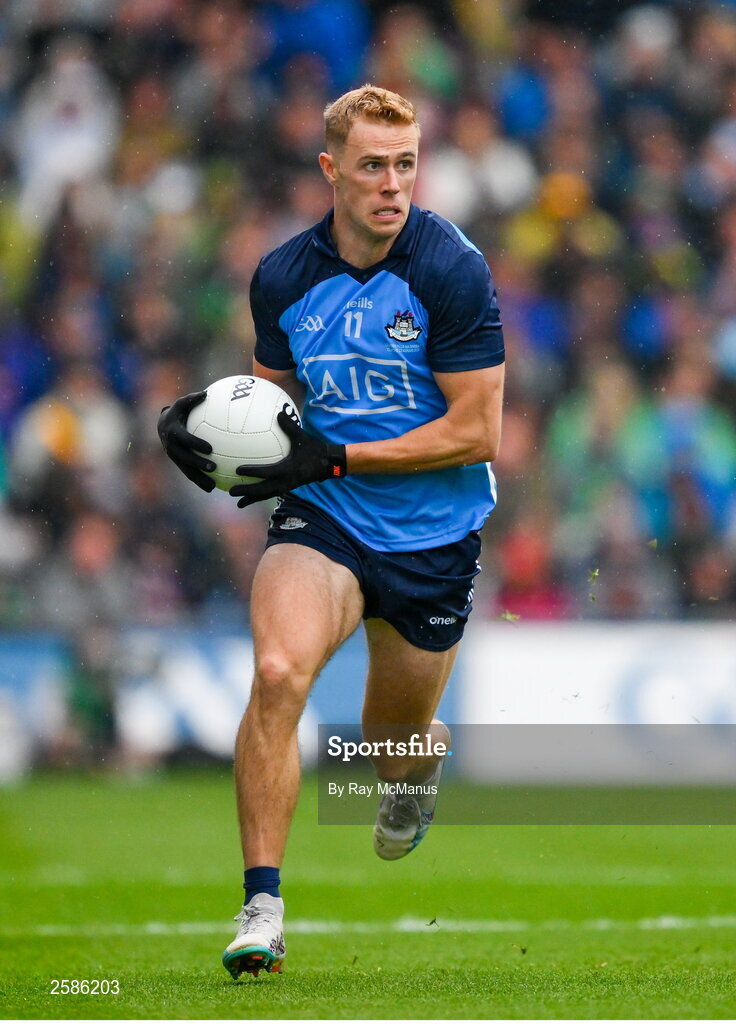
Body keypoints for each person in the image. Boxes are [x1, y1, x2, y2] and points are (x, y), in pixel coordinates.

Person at [157, 84, 505, 979]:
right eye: (372, 167)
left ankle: (411, 766)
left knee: (390, 744)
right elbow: (269, 410)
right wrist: (209, 432)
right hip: (327, 521)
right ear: (330, 171)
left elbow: (478, 432)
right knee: (277, 674)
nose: (393, 185)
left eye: (406, 165)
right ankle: (262, 907)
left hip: (434, 538)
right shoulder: (281, 276)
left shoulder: (451, 268)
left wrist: (336, 453)